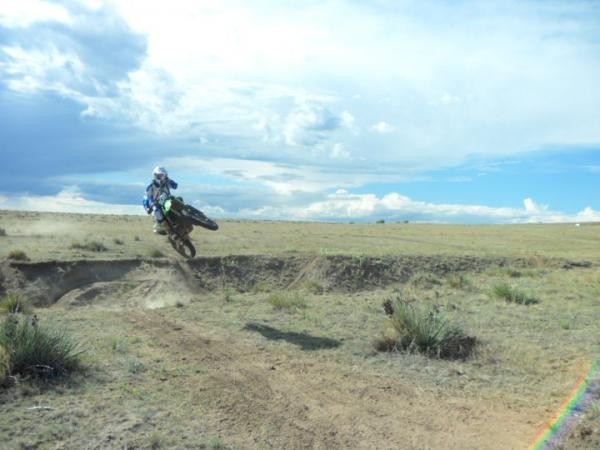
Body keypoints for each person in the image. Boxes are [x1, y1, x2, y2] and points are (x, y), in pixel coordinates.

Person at [143, 166, 178, 234]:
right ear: (155, 176)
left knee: (178, 200)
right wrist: (147, 207)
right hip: (157, 204)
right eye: (159, 176)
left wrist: (169, 180)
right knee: (157, 211)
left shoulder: (167, 182)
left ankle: (186, 215)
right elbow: (146, 197)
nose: (161, 177)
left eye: (162, 175)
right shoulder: (151, 186)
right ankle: (163, 226)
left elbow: (175, 186)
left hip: (168, 200)